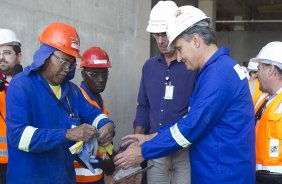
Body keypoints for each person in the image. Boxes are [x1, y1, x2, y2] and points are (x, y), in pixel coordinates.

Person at [114, 5, 255, 184]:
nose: (179, 58)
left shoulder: (218, 74)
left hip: (221, 175)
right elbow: (190, 121)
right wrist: (151, 137)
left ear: (196, 40)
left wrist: (144, 151)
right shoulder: (217, 70)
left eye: (180, 48)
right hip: (220, 170)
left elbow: (190, 127)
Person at [5, 22, 115, 184]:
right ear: (46, 55)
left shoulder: (72, 91)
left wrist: (106, 124)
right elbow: (19, 136)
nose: (67, 68)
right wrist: (67, 134)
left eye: (71, 64)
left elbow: (93, 114)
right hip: (29, 178)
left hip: (63, 178)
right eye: (63, 61)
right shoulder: (21, 85)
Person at [133, 1, 197, 184]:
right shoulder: (149, 67)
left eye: (164, 34)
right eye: (156, 35)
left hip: (185, 150)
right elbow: (143, 106)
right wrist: (138, 139)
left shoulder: (191, 66)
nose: (160, 41)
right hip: (155, 148)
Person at [74, 46, 114, 184]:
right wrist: (104, 164)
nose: (101, 79)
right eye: (94, 74)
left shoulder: (97, 99)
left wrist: (114, 155)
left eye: (104, 74)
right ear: (83, 74)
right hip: (82, 177)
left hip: (96, 175)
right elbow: (75, 146)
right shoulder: (79, 99)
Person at [250, 42, 282, 184]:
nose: (256, 75)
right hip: (260, 175)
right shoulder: (263, 99)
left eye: (259, 69)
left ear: (271, 70)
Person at [0, 29, 22, 184]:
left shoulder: (28, 83)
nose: (1, 57)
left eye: (7, 52)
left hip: (21, 158)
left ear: (18, 56)